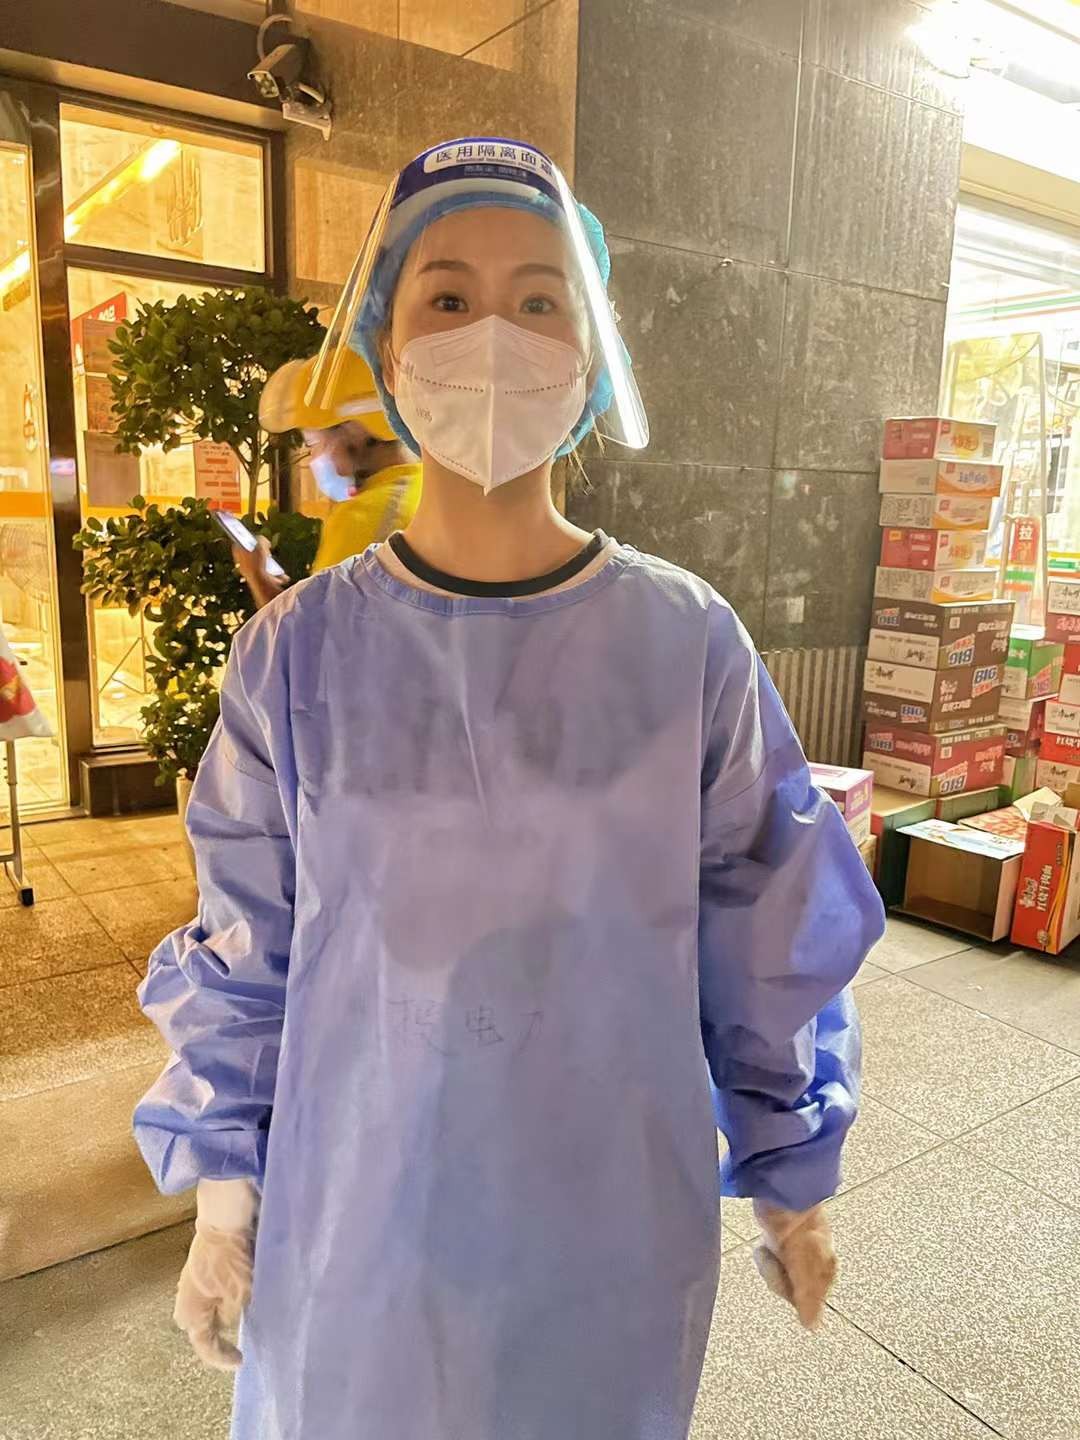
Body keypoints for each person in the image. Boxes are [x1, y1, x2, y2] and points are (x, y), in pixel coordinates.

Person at [133, 137, 884, 1440]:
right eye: (448, 296)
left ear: (590, 356)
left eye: (540, 299)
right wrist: (223, 1201)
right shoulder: (297, 656)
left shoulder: (685, 644)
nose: (493, 335)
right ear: (386, 344)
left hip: (608, 1230)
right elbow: (247, 945)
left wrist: (791, 1177)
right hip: (351, 1228)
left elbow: (766, 928)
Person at [236, 348, 421, 608]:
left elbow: (309, 630)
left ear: (355, 430)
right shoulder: (424, 488)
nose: (314, 458)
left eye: (314, 442)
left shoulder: (365, 516)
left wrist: (257, 576)